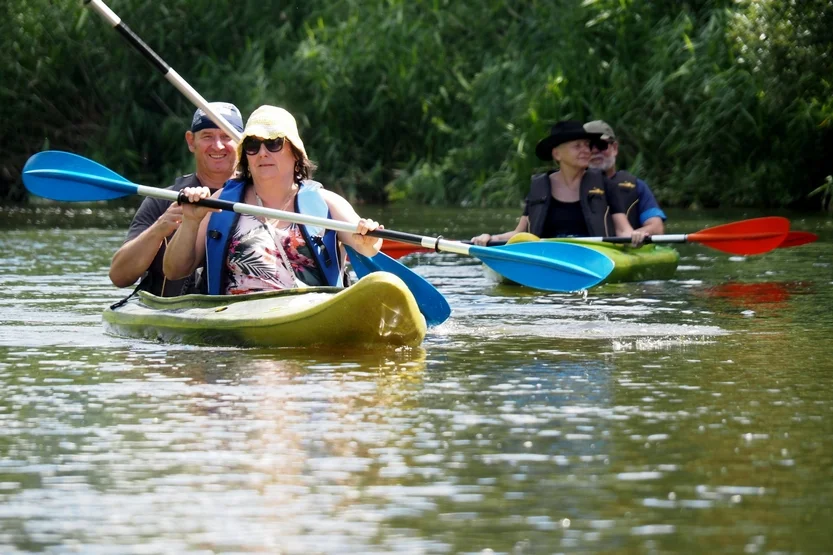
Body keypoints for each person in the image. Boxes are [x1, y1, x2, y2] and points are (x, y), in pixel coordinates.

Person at [162, 105, 382, 295]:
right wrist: (190, 222)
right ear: (246, 156)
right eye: (253, 145)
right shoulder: (220, 203)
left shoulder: (328, 203)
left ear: (295, 153)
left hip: (312, 314)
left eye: (273, 143)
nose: (262, 153)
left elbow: (369, 248)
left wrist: (368, 239)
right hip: (238, 320)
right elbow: (173, 271)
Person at [108, 102, 244, 296]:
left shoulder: (257, 198)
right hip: (169, 312)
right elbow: (119, 277)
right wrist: (160, 228)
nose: (218, 145)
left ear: (242, 143)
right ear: (191, 141)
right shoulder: (162, 201)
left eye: (226, 136)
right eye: (207, 136)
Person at [471, 120, 635, 246]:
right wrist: (492, 238)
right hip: (549, 257)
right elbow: (518, 233)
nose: (586, 150)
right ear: (557, 154)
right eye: (577, 146)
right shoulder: (539, 188)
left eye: (587, 145)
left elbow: (622, 229)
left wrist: (635, 236)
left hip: (595, 256)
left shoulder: (605, 185)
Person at [584, 120, 666, 240]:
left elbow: (657, 227)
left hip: (625, 248)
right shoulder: (572, 185)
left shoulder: (637, 186)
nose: (595, 151)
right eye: (589, 146)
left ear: (615, 148)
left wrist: (637, 234)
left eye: (602, 145)